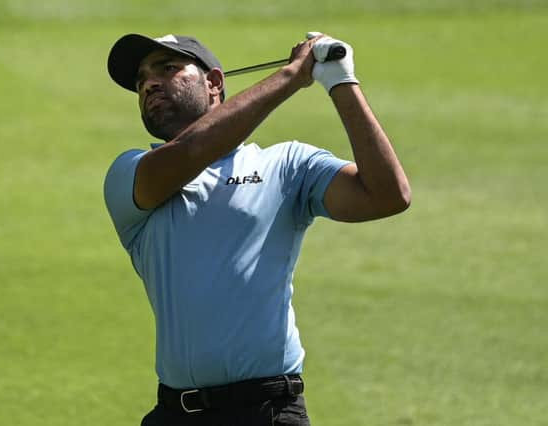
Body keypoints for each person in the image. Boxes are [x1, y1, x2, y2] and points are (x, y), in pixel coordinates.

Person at [104, 31, 410, 425]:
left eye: (168, 68)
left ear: (214, 83)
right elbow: (190, 152)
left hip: (270, 412)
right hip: (176, 413)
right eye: (141, 78)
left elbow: (388, 195)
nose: (149, 83)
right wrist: (290, 77)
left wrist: (340, 81)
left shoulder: (287, 166)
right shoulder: (130, 175)